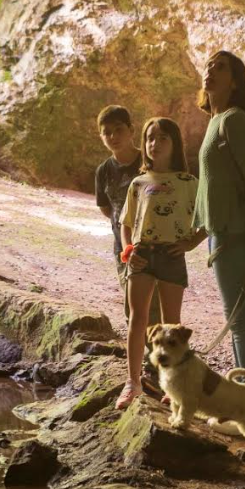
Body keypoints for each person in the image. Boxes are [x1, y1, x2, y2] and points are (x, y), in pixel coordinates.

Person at [193, 50, 245, 392]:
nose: (210, 70)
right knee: (236, 319)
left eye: (220, 67)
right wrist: (197, 233)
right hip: (220, 233)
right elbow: (212, 186)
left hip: (234, 235)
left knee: (239, 322)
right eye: (208, 65)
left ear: (235, 82)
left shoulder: (234, 120)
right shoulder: (215, 120)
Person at [115, 117, 203, 409]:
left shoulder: (189, 183)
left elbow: (208, 220)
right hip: (141, 256)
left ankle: (173, 384)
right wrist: (128, 251)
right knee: (137, 319)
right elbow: (126, 223)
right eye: (150, 138)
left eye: (163, 137)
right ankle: (133, 383)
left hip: (172, 257)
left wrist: (191, 243)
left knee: (171, 325)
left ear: (175, 143)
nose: (155, 143)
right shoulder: (138, 183)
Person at [93, 105, 160, 332]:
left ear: (131, 130)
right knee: (133, 302)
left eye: (118, 129)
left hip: (154, 244)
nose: (113, 136)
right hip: (123, 247)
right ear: (101, 136)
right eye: (107, 132)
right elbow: (106, 208)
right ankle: (140, 347)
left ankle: (156, 347)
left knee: (153, 303)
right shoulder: (103, 171)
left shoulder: (149, 163)